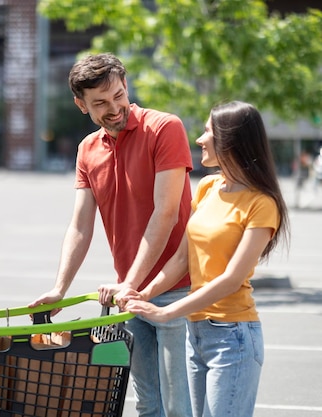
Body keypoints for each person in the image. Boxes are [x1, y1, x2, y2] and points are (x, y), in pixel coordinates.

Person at [28, 53, 193, 417]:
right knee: (149, 404)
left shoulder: (165, 128)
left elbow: (164, 213)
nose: (114, 108)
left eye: (118, 95)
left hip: (179, 289)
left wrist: (129, 283)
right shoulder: (87, 149)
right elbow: (80, 225)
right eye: (100, 103)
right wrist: (60, 288)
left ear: (126, 86)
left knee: (181, 407)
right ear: (81, 105)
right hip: (130, 296)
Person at [121, 101, 290, 417]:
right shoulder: (208, 186)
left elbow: (231, 279)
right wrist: (142, 295)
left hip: (232, 339)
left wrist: (166, 311)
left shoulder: (261, 204)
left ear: (231, 140)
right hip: (195, 335)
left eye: (208, 131)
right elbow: (181, 260)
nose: (199, 139)